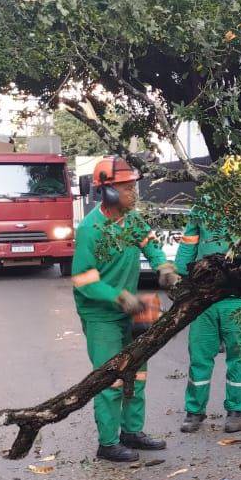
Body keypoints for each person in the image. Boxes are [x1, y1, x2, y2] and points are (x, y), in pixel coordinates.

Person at [71, 156, 179, 462]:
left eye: (134, 186)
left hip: (129, 308)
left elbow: (151, 244)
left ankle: (132, 432)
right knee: (110, 378)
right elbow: (83, 280)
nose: (135, 193)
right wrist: (121, 298)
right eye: (128, 188)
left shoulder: (132, 221)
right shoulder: (91, 229)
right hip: (101, 315)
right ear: (108, 192)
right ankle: (107, 443)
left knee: (136, 373)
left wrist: (164, 267)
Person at [175, 156, 241, 434]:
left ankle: (235, 411)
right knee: (200, 356)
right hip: (205, 298)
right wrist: (179, 278)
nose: (237, 187)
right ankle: (194, 412)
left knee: (239, 356)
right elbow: (188, 244)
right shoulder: (203, 207)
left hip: (239, 299)